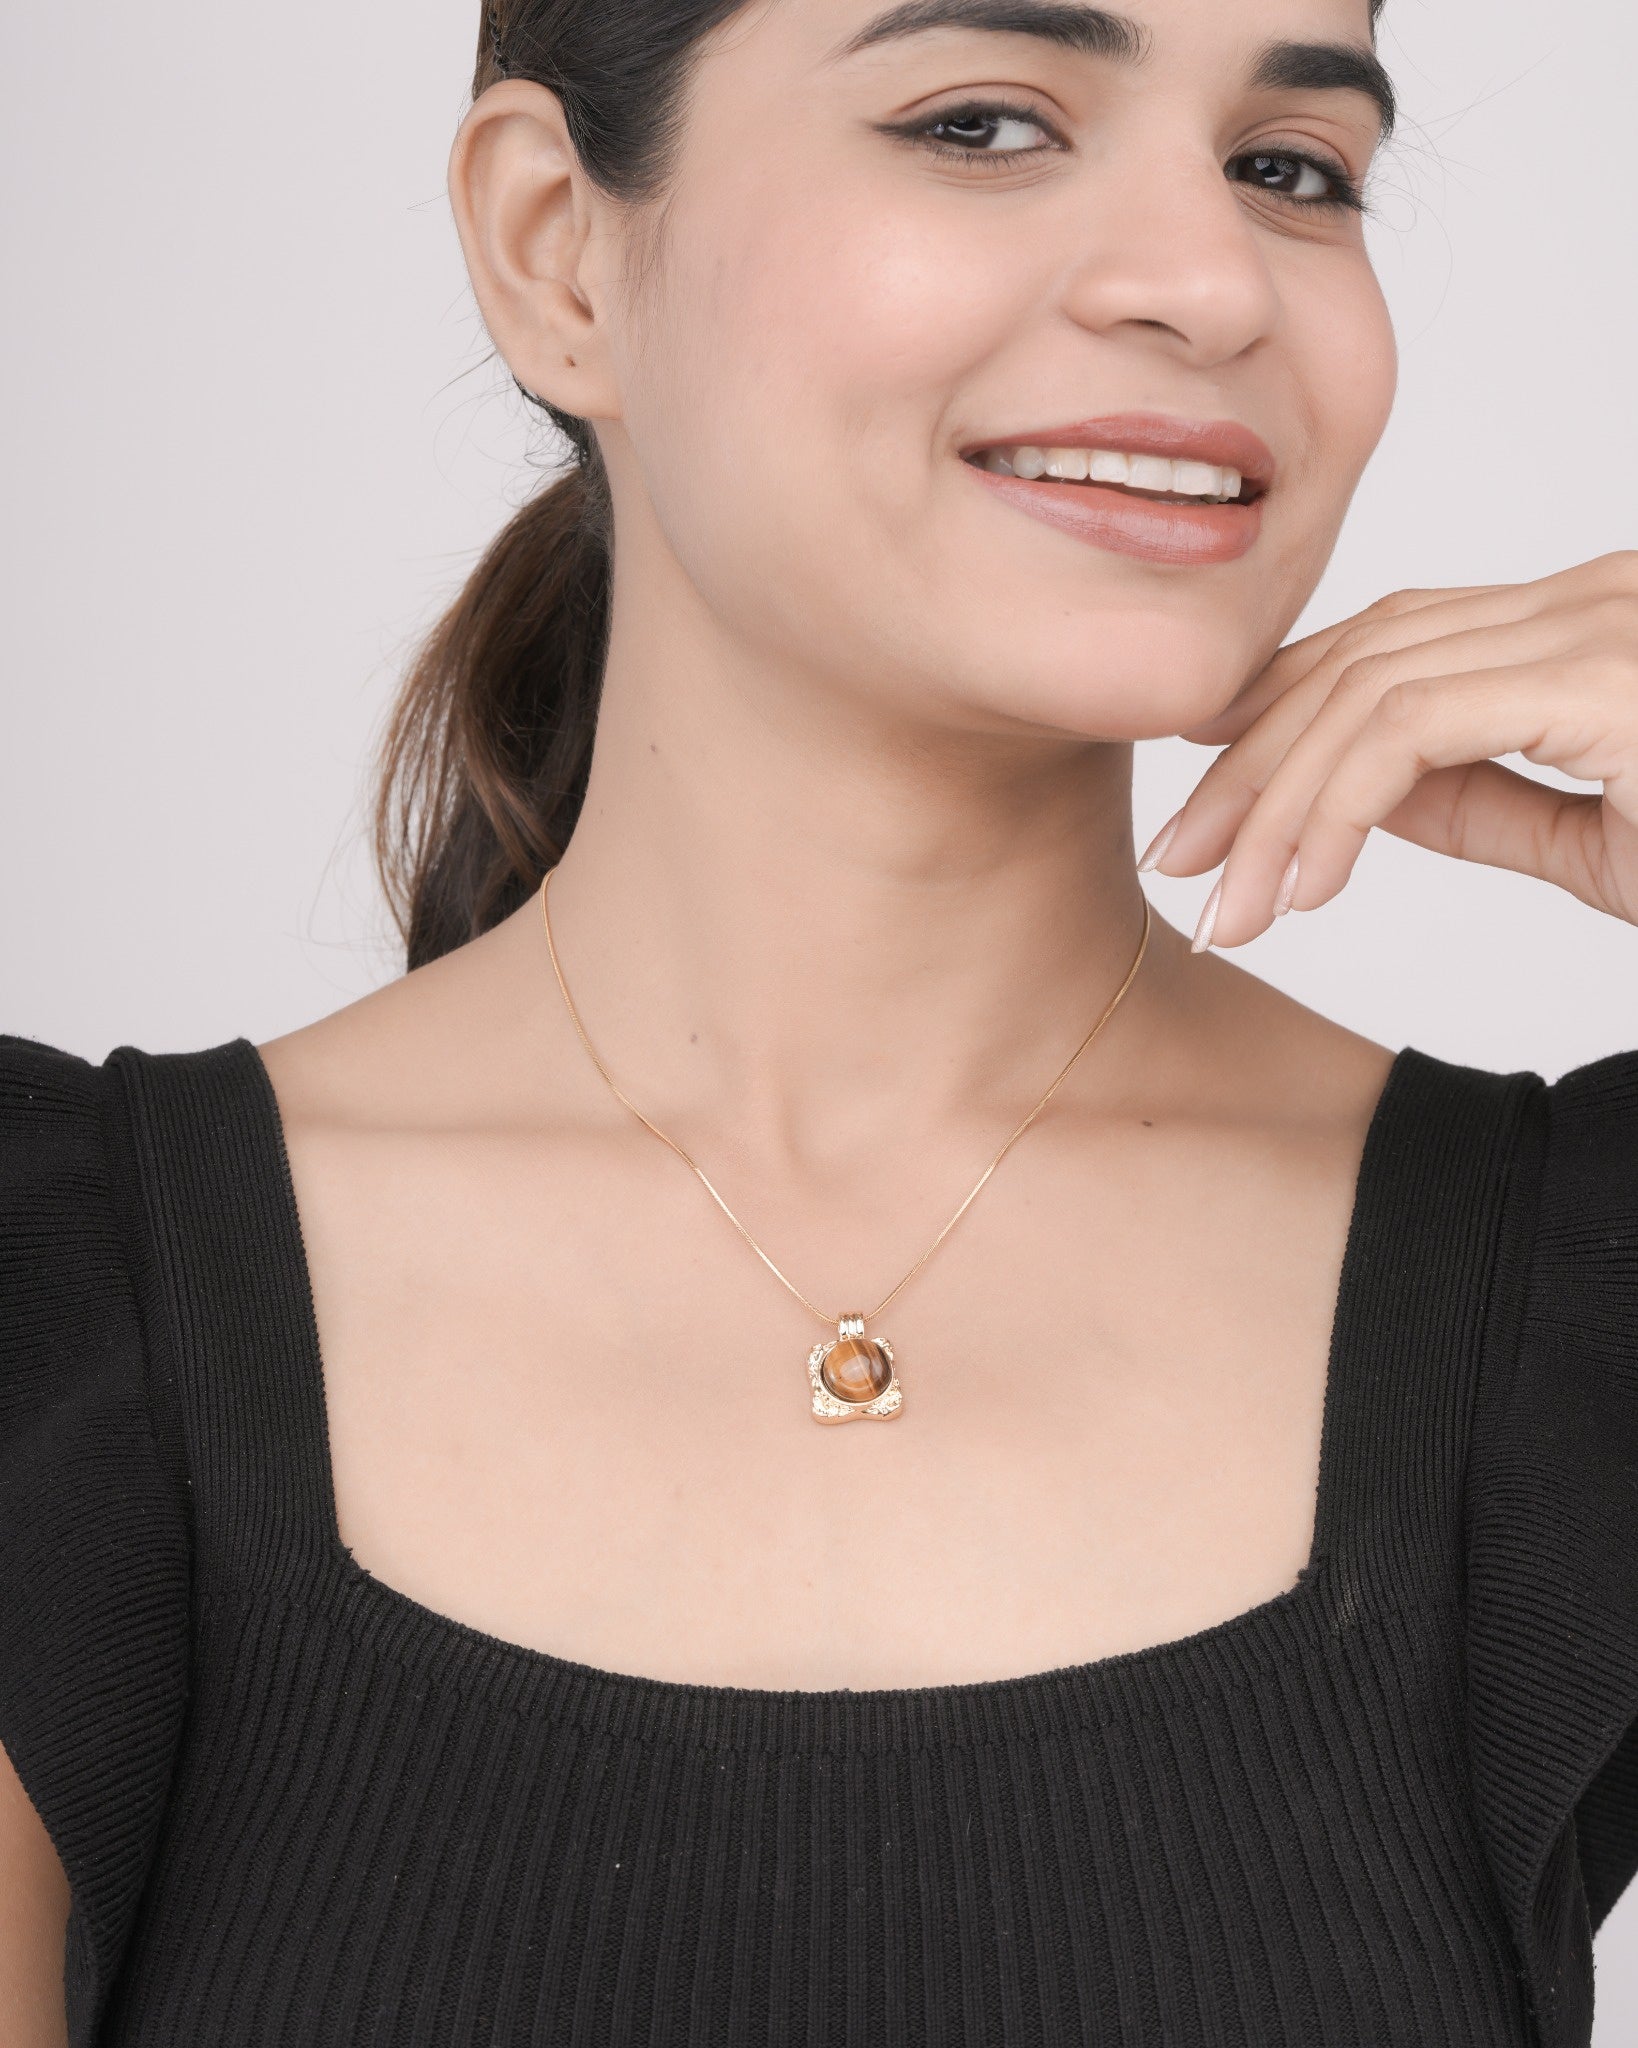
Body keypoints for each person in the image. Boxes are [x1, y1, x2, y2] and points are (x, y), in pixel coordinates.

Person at [3, 0, 1635, 2041]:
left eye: (1288, 168)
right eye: (984, 122)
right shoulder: (56, 1302)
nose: (1213, 282)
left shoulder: (1578, 1293)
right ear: (555, 248)